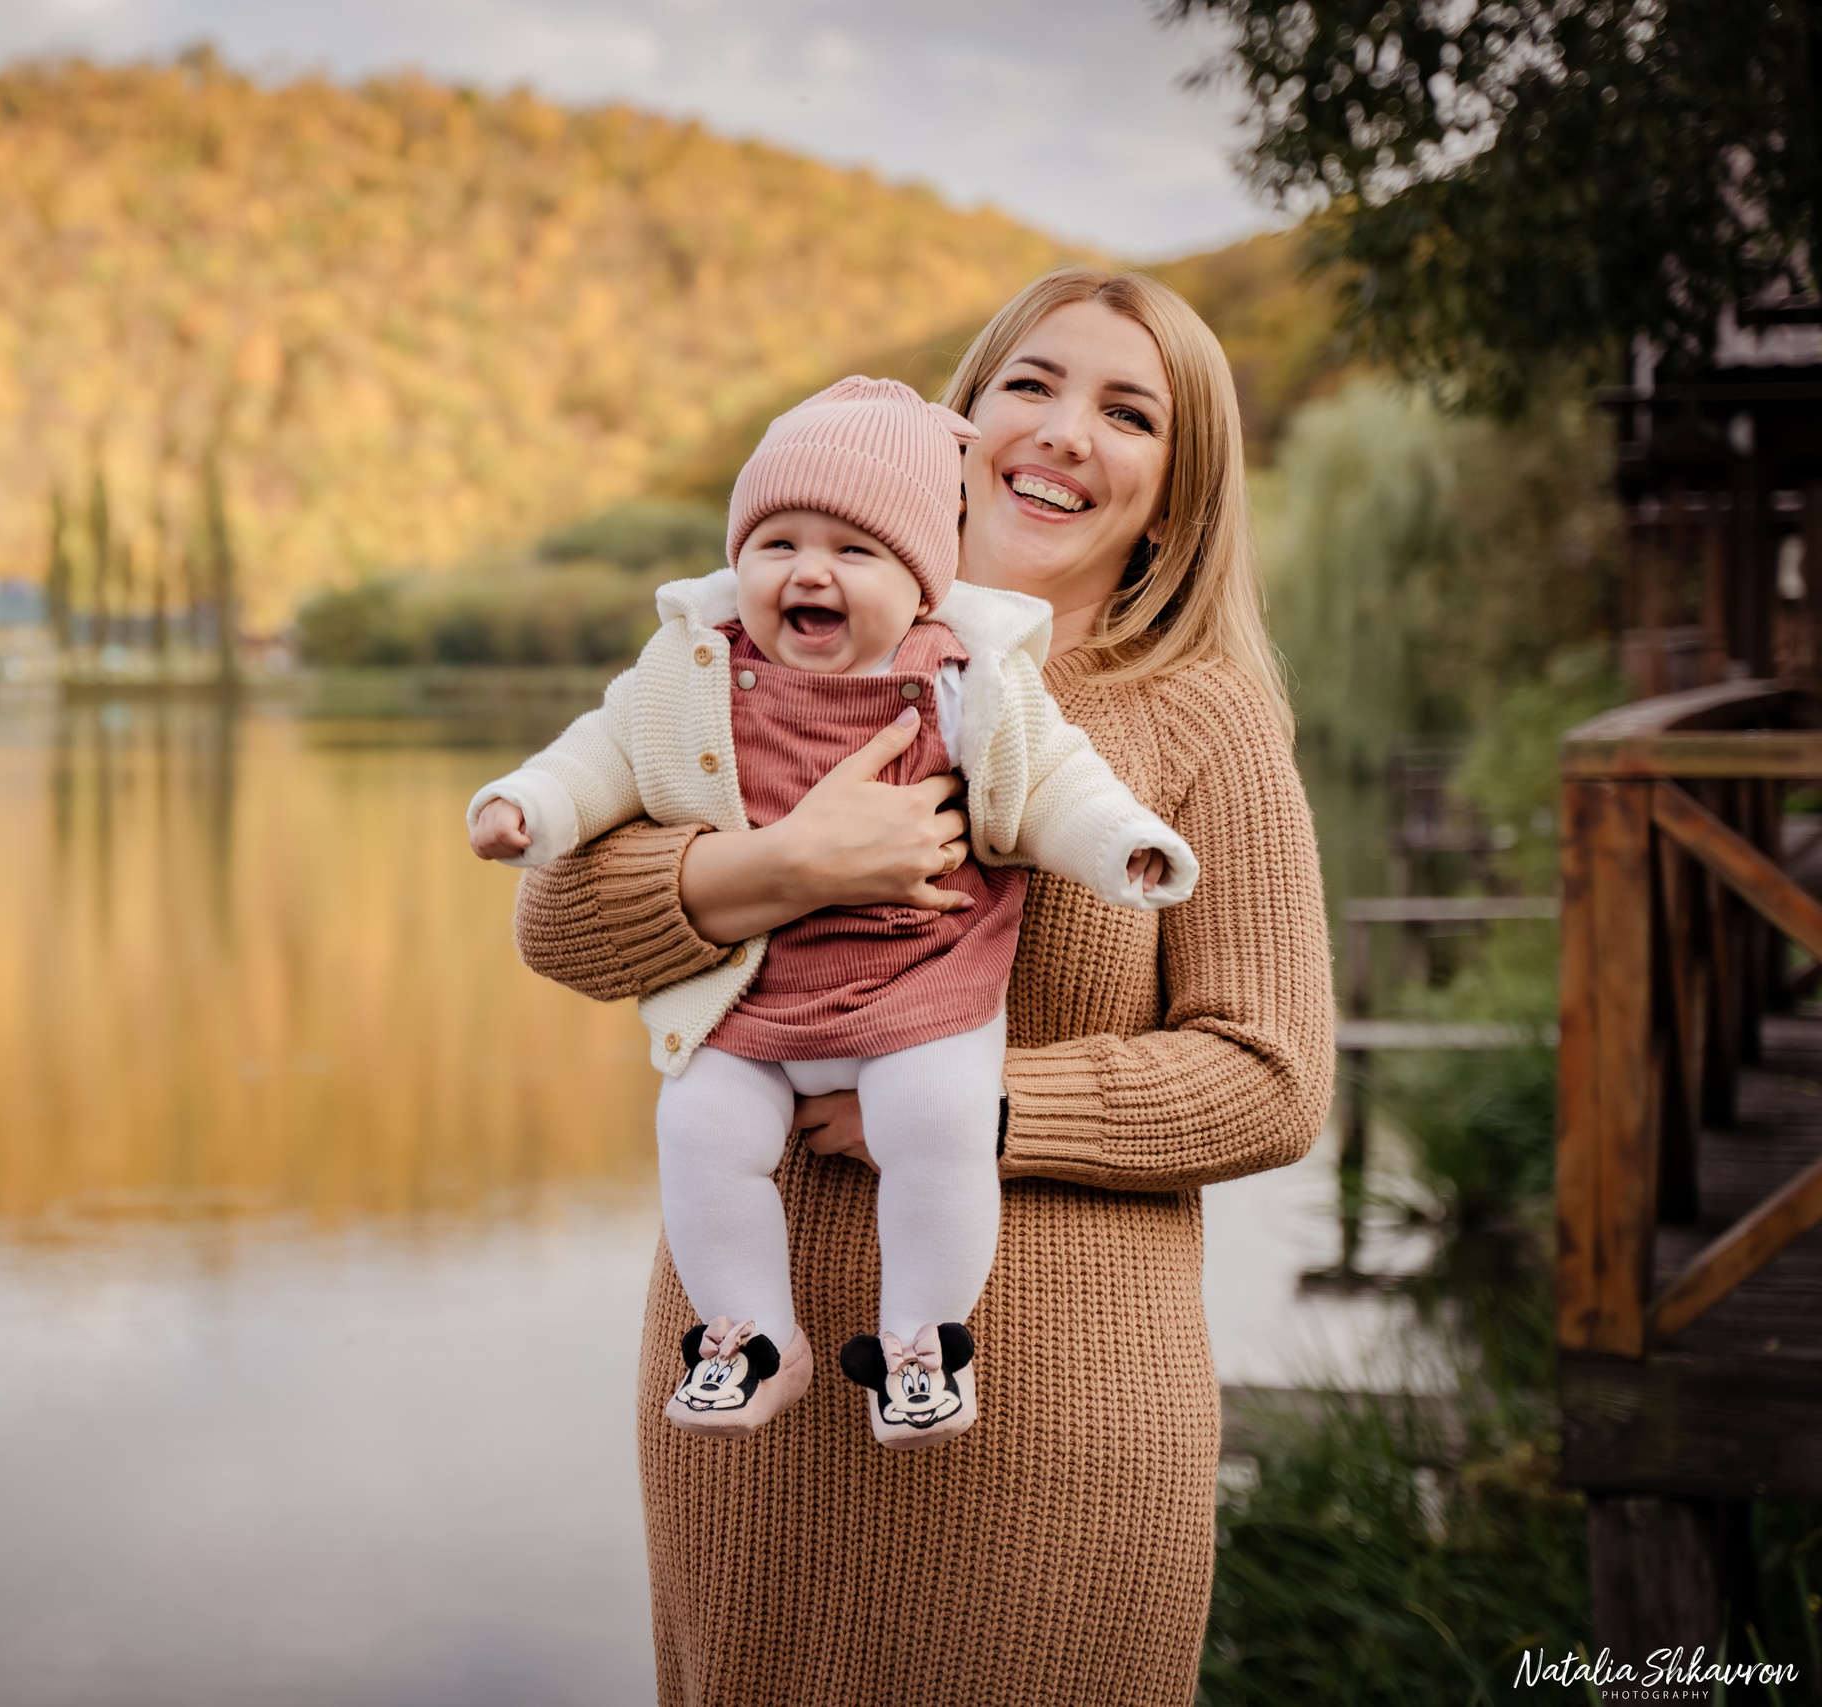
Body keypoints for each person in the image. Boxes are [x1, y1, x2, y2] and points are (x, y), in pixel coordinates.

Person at [509, 269, 1334, 1705]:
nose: (1066, 431)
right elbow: (559, 923)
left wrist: (972, 1109)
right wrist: (779, 867)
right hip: (752, 1428)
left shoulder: (1203, 716)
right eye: (1031, 384)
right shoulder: (754, 650)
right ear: (954, 432)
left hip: (1056, 1416)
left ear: (1178, 496)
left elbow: (1273, 1074)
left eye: (1126, 410)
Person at [466, 376, 1196, 1451]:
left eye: (853, 552)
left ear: (919, 584)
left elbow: (1055, 782)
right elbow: (603, 751)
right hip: (753, 1000)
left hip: (920, 990)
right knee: (700, 1129)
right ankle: (748, 1332)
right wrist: (527, 803)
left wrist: (1121, 843)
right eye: (776, 544)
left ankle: (921, 1339)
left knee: (936, 1124)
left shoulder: (965, 681)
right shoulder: (694, 672)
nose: (809, 570)